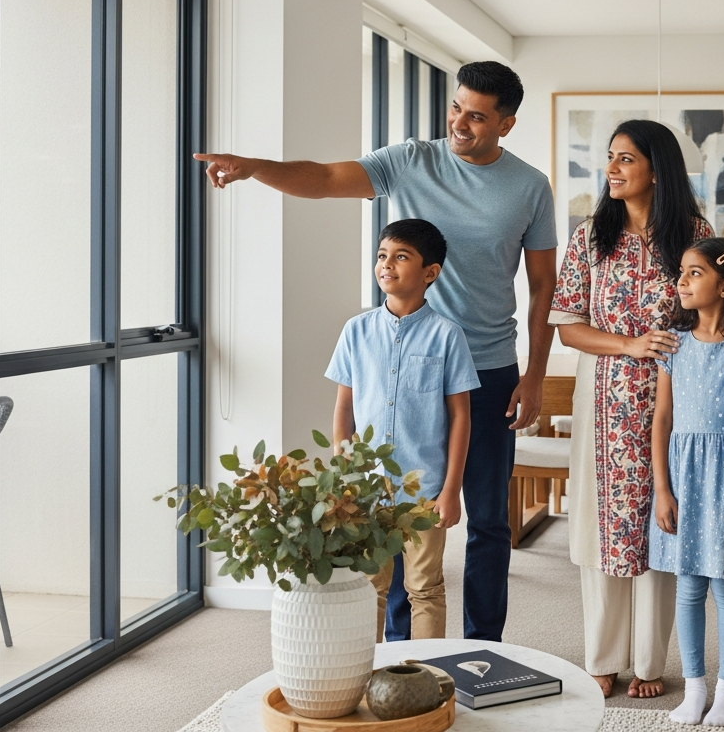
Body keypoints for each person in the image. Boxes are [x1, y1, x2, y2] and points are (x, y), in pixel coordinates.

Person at [195, 61, 557, 641]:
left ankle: (483, 646)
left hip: (488, 368)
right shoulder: (411, 160)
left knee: (488, 521)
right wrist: (256, 168)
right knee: (391, 515)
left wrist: (535, 373)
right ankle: (400, 650)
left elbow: (544, 287)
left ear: (506, 124)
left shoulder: (529, 186)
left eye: (478, 116)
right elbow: (325, 178)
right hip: (403, 364)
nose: (460, 123)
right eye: (457, 107)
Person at [549, 119, 711, 699]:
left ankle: (647, 661)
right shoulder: (591, 235)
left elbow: (709, 314)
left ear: (656, 167)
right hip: (604, 396)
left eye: (625, 158)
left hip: (674, 393)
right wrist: (629, 345)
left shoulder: (694, 232)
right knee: (604, 525)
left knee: (660, 522)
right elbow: (569, 327)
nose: (612, 169)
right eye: (609, 158)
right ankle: (602, 656)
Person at [325, 219, 480, 641]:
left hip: (424, 490)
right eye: (382, 256)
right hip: (367, 491)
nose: (386, 265)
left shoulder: (448, 336)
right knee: (369, 587)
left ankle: (426, 679)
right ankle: (365, 674)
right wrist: (343, 473)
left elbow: (461, 417)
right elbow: (344, 408)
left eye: (400, 256)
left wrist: (451, 490)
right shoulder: (355, 331)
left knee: (425, 588)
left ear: (430, 272)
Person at [648, 237, 724, 727]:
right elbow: (662, 419)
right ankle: (694, 688)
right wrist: (662, 489)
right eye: (681, 272)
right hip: (683, 476)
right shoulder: (674, 343)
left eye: (694, 273)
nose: (682, 281)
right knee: (688, 587)